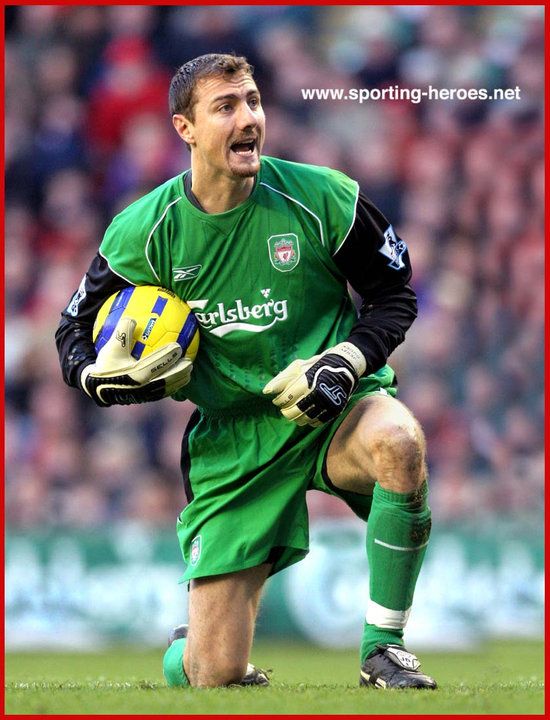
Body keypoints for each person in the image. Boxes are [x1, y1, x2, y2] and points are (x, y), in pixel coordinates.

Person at [56, 53, 437, 690]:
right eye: (226, 106)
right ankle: (193, 648)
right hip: (234, 442)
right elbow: (73, 330)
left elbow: (396, 293)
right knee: (213, 675)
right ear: (185, 129)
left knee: (398, 443)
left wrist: (344, 360)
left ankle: (383, 648)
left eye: (253, 101)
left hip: (330, 406)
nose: (248, 118)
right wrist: (94, 378)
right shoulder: (145, 232)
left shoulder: (324, 198)